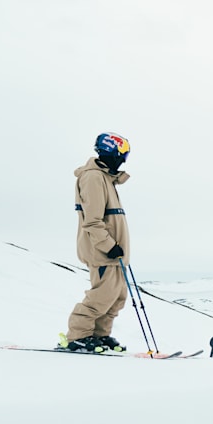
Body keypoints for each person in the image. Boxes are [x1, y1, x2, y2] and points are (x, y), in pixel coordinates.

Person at [60, 132, 133, 353]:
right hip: (102, 250)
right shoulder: (93, 178)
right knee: (102, 295)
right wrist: (108, 245)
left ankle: (100, 334)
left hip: (114, 251)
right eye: (122, 155)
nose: (123, 161)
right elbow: (92, 221)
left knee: (117, 297)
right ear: (111, 152)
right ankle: (78, 336)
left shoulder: (106, 179)